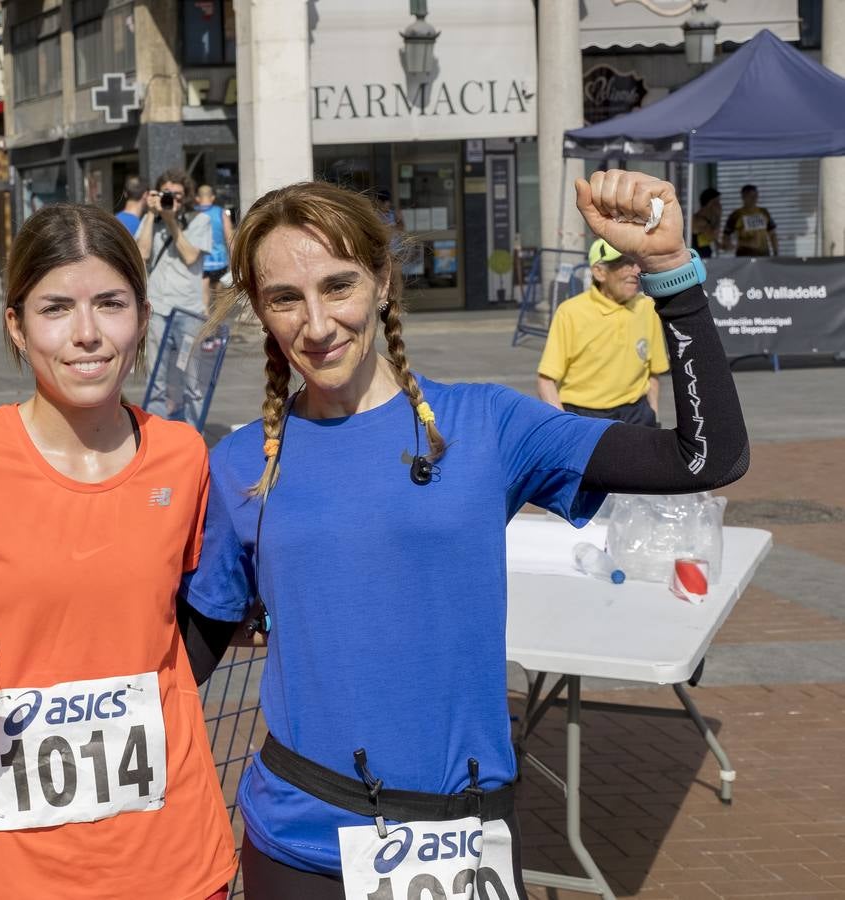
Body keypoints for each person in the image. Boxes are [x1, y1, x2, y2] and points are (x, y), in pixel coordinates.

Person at [182, 171, 748, 898]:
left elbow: (705, 457)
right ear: (260, 310)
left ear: (383, 280)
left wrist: (673, 271)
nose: (316, 324)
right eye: (285, 298)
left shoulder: (488, 425)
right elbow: (179, 660)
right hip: (301, 844)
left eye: (338, 286)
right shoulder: (240, 467)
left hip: (462, 842)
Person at [0, 203, 239, 900]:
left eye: (109, 304)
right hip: (16, 865)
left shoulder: (182, 456)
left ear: (141, 315)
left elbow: (202, 610)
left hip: (173, 852)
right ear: (16, 325)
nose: (86, 335)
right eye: (56, 308)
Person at [537, 237, 668, 426]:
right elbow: (546, 380)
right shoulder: (571, 312)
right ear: (599, 272)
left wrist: (653, 415)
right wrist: (564, 428)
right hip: (584, 417)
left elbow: (653, 372)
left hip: (637, 414)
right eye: (625, 263)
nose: (636, 271)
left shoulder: (647, 307)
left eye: (637, 262)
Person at [137, 168, 213, 421]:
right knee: (154, 380)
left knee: (191, 381)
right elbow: (141, 255)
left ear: (187, 197)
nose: (173, 200)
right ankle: (158, 436)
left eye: (178, 196)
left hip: (189, 312)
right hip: (157, 309)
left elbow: (190, 256)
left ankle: (193, 435)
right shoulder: (153, 222)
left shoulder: (198, 221)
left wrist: (170, 220)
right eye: (167, 194)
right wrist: (150, 214)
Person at [195, 184, 236, 309]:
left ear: (198, 198)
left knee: (203, 297)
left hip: (200, 261)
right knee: (219, 296)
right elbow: (230, 237)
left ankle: (205, 321)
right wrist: (234, 259)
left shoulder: (193, 212)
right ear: (212, 197)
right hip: (219, 261)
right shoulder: (221, 212)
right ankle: (218, 324)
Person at [723, 184, 778, 257]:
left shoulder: (764, 212)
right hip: (743, 257)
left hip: (763, 255)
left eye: (756, 196)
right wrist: (743, 243)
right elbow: (726, 236)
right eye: (750, 196)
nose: (754, 199)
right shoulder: (736, 215)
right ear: (743, 197)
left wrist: (776, 252)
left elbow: (772, 234)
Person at [692, 187, 722, 258]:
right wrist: (718, 216)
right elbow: (712, 235)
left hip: (706, 257)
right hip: (698, 259)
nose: (719, 205)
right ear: (710, 203)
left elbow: (714, 241)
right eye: (717, 202)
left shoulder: (707, 221)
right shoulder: (698, 221)